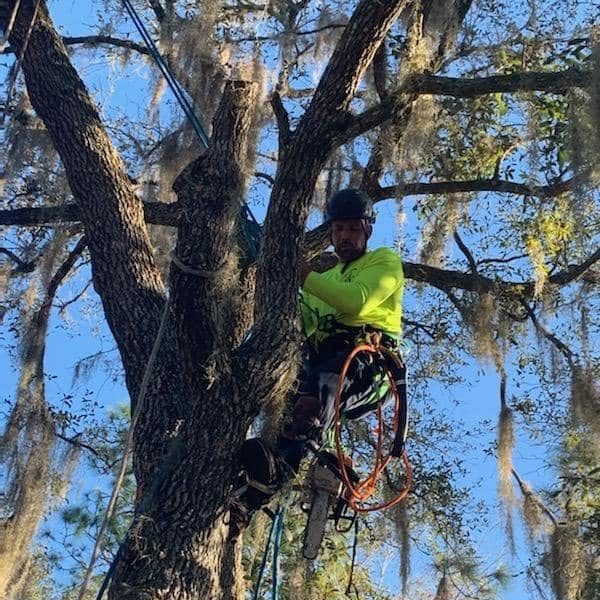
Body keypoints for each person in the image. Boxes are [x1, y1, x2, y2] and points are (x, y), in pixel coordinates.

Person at [229, 188, 405, 535]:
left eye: (353, 229)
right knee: (288, 402)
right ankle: (247, 494)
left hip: (366, 363)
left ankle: (277, 472)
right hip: (324, 361)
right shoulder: (327, 279)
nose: (345, 237)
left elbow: (356, 302)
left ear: (367, 230)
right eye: (339, 230)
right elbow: (305, 313)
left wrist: (304, 275)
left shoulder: (383, 262)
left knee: (317, 394)